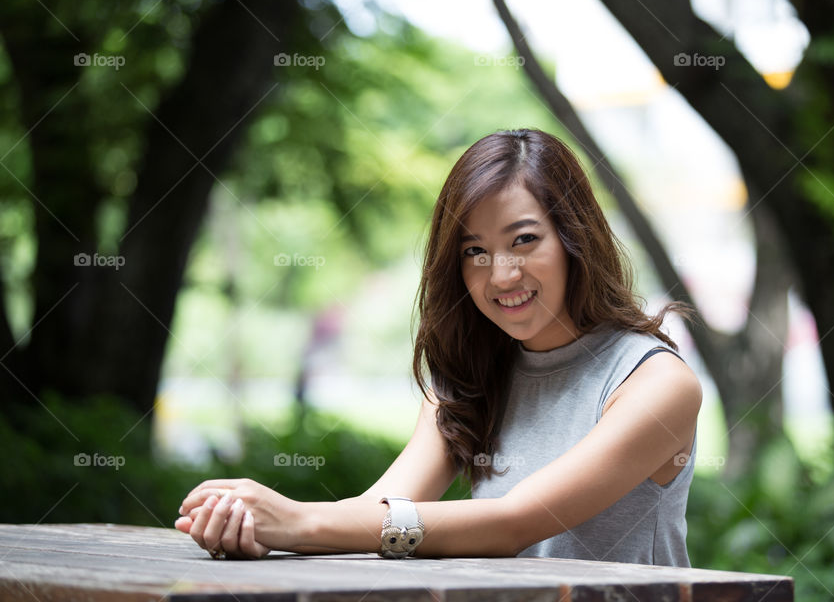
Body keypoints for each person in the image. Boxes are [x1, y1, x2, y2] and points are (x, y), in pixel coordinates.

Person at [174, 128, 702, 565]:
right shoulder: (471, 376)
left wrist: (297, 519)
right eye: (475, 250)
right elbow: (382, 508)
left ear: (574, 240)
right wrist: (255, 526)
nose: (501, 275)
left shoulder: (656, 384)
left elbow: (512, 524)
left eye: (524, 240)